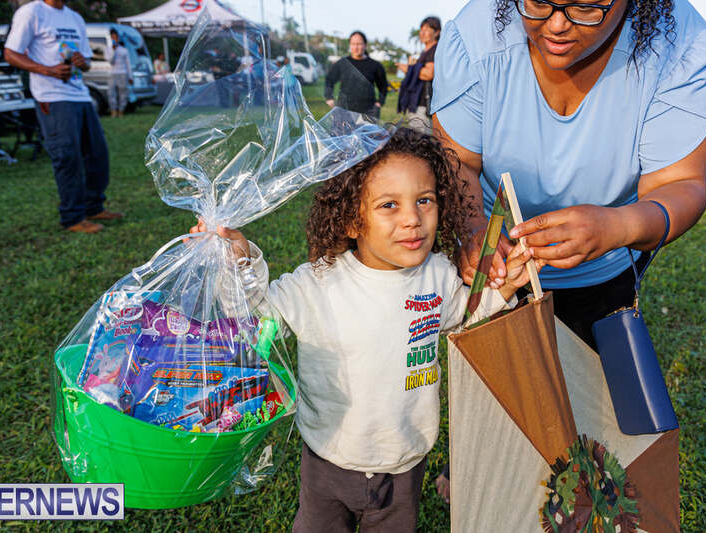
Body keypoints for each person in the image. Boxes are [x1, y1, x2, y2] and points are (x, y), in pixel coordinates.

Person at [430, 0, 706, 501]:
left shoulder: (681, 44)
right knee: (498, 384)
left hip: (606, 261)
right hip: (502, 265)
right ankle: (478, 473)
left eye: (587, 6)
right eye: (539, 2)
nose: (558, 24)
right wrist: (474, 227)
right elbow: (457, 161)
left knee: (589, 403)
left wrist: (619, 224)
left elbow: (683, 183)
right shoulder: (476, 34)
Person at [189, 129, 539, 532]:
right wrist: (240, 265)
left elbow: (464, 321)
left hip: (405, 462)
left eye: (424, 200)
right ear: (353, 219)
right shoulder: (318, 284)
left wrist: (506, 289)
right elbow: (258, 315)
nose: (412, 218)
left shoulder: (438, 275)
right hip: (329, 459)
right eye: (389, 205)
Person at [5, 0, 123, 234]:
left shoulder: (75, 18)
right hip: (52, 96)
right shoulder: (32, 12)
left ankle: (94, 207)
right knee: (67, 156)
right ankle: (72, 217)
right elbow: (10, 54)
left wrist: (83, 62)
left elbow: (87, 63)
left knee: (97, 155)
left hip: (79, 93)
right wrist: (48, 70)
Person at [324, 31, 388, 118]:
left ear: (365, 45)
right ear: (350, 45)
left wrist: (379, 103)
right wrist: (329, 97)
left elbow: (383, 86)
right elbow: (329, 80)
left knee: (368, 132)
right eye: (353, 44)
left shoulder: (375, 65)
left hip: (368, 112)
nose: (356, 47)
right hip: (343, 111)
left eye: (359, 44)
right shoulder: (342, 63)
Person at [397, 17, 441, 133]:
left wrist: (408, 69)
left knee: (420, 140)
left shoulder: (435, 50)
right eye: (421, 29)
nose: (422, 33)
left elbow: (429, 74)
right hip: (415, 104)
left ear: (437, 32)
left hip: (423, 105)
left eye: (427, 29)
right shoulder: (424, 52)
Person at [108, 28, 132, 118]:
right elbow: (111, 62)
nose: (114, 39)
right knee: (111, 93)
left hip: (123, 73)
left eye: (116, 37)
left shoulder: (124, 50)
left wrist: (130, 76)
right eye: (112, 37)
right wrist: (114, 51)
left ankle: (121, 110)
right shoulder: (108, 50)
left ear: (118, 38)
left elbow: (128, 64)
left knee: (123, 92)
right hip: (113, 72)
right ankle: (113, 110)